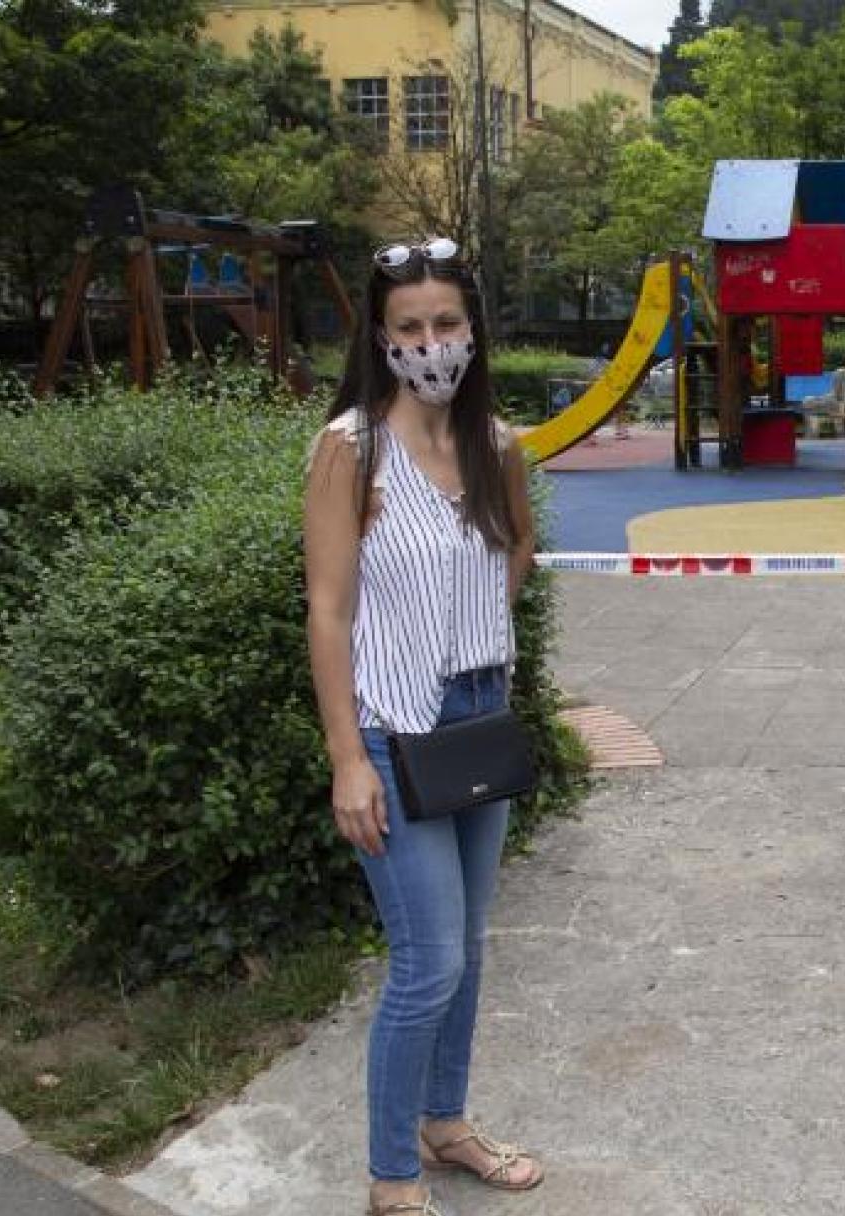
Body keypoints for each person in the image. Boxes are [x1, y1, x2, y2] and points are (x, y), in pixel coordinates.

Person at [303, 237, 544, 1216]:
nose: (432, 342)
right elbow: (328, 610)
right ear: (380, 336)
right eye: (410, 327)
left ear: (473, 331)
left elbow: (517, 547)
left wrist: (476, 628)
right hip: (396, 728)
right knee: (427, 960)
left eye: (447, 323)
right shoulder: (349, 449)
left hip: (481, 716)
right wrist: (346, 757)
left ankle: (444, 1126)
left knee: (470, 947)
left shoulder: (498, 448)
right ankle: (389, 1177)